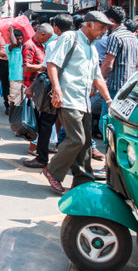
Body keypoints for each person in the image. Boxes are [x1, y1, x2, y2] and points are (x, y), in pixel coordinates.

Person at [42, 11, 114, 195]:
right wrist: (57, 89)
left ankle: (83, 180)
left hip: (84, 101)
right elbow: (52, 64)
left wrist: (109, 100)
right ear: (88, 24)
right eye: (101, 27)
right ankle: (52, 171)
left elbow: (97, 76)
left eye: (106, 28)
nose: (104, 32)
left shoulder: (92, 47)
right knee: (77, 139)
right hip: (67, 98)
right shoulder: (70, 37)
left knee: (86, 142)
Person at [24, 14, 72, 169]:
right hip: (73, 92)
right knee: (72, 128)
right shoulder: (80, 43)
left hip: (54, 91)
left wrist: (31, 88)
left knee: (45, 124)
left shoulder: (54, 45)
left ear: (56, 28)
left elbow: (45, 69)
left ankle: (42, 158)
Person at [99, 6, 138, 133]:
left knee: (106, 125)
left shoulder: (115, 36)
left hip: (115, 88)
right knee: (123, 126)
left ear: (111, 20)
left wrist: (96, 81)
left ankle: (109, 152)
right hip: (130, 88)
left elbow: (108, 65)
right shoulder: (132, 36)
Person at [22, 23, 53, 154]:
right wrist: (43, 66)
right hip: (31, 86)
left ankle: (40, 144)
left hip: (40, 86)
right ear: (42, 34)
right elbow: (26, 66)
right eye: (48, 37)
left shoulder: (42, 46)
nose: (48, 40)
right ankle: (33, 145)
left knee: (40, 117)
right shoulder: (29, 45)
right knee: (34, 117)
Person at [5, 27, 24, 107]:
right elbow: (14, 43)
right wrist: (11, 30)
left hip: (25, 78)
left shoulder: (25, 47)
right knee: (15, 101)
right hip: (15, 78)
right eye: (17, 39)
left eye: (21, 39)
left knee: (23, 101)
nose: (19, 41)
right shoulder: (8, 47)